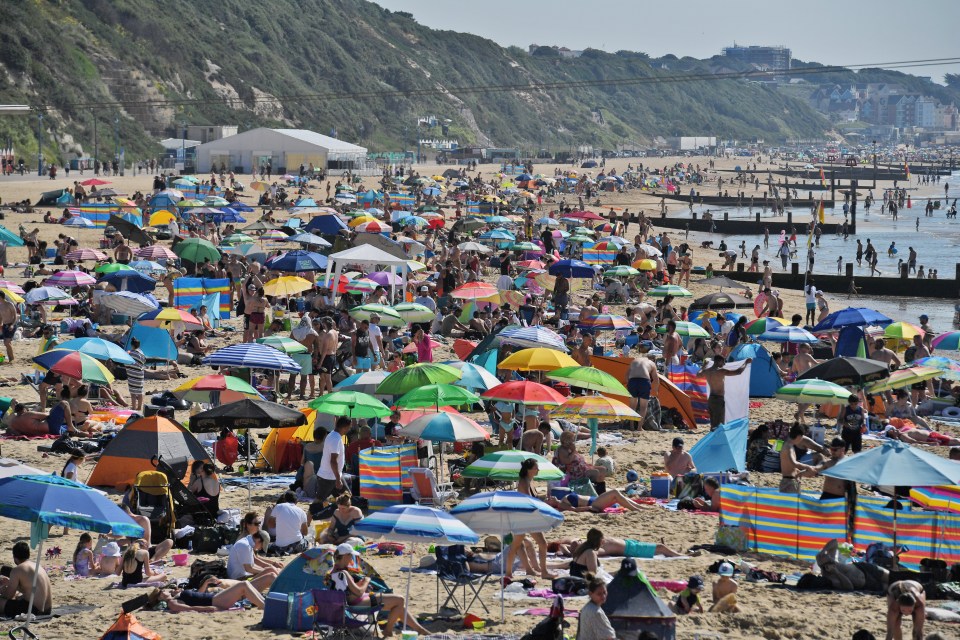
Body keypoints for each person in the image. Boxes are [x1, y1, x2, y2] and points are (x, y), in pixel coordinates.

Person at [329, 543, 429, 637]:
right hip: (357, 603)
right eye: (350, 555)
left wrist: (358, 583)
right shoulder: (343, 573)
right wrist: (366, 582)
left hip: (354, 602)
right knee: (400, 600)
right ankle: (388, 631)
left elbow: (346, 590)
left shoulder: (335, 571)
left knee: (399, 605)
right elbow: (359, 592)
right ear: (345, 556)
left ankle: (419, 629)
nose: (351, 558)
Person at [506, 458, 554, 580]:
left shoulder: (529, 481)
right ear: (528, 470)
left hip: (528, 517)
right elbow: (529, 500)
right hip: (524, 518)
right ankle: (508, 572)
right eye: (535, 468)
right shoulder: (523, 482)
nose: (538, 469)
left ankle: (542, 571)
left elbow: (533, 498)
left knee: (538, 544)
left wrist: (545, 498)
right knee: (519, 545)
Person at [148, 577, 266, 611]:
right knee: (244, 585)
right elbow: (191, 608)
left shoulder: (176, 596)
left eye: (161, 590)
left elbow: (196, 596)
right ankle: (264, 606)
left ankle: (264, 603)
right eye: (160, 592)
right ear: (159, 599)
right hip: (215, 601)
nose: (163, 591)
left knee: (244, 586)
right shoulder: (173, 603)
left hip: (216, 598)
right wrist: (212, 609)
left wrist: (206, 583)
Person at [700, 355, 752, 431]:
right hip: (718, 399)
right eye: (723, 361)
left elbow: (698, 374)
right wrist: (745, 363)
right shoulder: (720, 371)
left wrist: (704, 365)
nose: (724, 364)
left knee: (713, 422)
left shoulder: (707, 371)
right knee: (719, 423)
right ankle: (717, 439)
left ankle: (713, 439)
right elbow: (738, 372)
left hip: (711, 399)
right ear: (719, 361)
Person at [0, 542, 51, 617]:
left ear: (14, 557)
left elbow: (8, 596)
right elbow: (30, 589)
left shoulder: (17, 570)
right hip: (47, 609)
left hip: (33, 610)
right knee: (18, 597)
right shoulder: (38, 566)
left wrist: (3, 589)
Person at [316, 417, 351, 503]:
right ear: (345, 427)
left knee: (346, 497)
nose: (349, 430)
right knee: (318, 502)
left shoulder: (333, 434)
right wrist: (338, 479)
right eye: (349, 427)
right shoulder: (335, 438)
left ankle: (338, 515)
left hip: (333, 475)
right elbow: (333, 461)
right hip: (328, 477)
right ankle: (308, 516)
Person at [780, 423, 819, 494]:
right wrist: (808, 467)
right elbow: (794, 463)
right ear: (798, 436)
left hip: (791, 480)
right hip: (788, 482)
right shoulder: (788, 447)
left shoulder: (789, 445)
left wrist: (801, 473)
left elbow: (790, 466)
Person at [577, 575, 616, 640]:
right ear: (590, 594)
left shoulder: (587, 607)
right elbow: (609, 637)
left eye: (604, 592)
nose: (603, 596)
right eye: (599, 594)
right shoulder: (596, 612)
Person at [626, 354, 659, 428]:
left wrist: (629, 384)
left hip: (632, 381)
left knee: (632, 406)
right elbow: (656, 379)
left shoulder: (634, 361)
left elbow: (626, 375)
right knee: (643, 407)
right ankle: (639, 427)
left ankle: (631, 426)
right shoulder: (652, 363)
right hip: (644, 381)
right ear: (653, 359)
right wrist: (656, 390)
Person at [125, 337, 146, 412]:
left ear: (132, 345)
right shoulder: (141, 353)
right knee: (140, 391)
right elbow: (143, 362)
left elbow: (126, 363)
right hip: (140, 374)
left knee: (133, 393)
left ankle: (134, 407)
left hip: (132, 374)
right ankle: (139, 407)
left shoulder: (129, 353)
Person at [0, 291, 19, 363]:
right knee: (7, 343)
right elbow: (1, 317)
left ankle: (12, 359)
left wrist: (12, 325)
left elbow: (15, 315)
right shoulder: (0, 305)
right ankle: (10, 359)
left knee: (7, 342)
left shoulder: (9, 304)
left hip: (11, 324)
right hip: (4, 325)